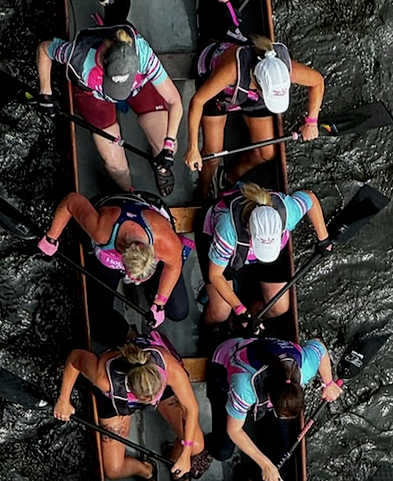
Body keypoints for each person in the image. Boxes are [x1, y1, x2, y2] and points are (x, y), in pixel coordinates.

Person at [35, 25, 182, 194]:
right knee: (114, 164)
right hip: (94, 94)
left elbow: (174, 100)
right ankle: (130, 192)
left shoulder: (142, 53)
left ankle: (160, 166)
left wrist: (168, 146)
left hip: (138, 87)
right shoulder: (77, 55)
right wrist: (46, 93)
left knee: (170, 143)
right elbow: (44, 49)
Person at [184, 34, 326, 195]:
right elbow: (197, 101)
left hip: (252, 97)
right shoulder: (231, 71)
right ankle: (203, 194)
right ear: (258, 83)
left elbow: (317, 81)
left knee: (267, 153)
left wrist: (311, 122)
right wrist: (192, 148)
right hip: (219, 95)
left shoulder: (282, 71)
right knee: (211, 157)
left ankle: (227, 178)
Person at [53, 339, 204, 481]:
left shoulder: (169, 368)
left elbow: (191, 408)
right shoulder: (104, 379)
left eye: (154, 398)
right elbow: (75, 358)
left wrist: (185, 454)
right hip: (117, 400)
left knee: (196, 446)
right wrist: (63, 400)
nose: (151, 402)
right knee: (113, 470)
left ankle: (173, 455)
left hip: (149, 385)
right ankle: (145, 469)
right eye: (147, 399)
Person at [37, 191, 190, 331]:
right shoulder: (101, 231)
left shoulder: (167, 243)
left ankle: (152, 292)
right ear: (123, 260)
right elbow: (72, 200)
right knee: (96, 317)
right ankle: (129, 334)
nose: (136, 282)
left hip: (146, 214)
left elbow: (174, 266)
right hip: (109, 230)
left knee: (179, 311)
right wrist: (51, 237)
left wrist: (159, 303)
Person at [206, 334, 341, 477]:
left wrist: (329, 383)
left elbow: (319, 346)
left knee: (284, 447)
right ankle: (209, 443)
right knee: (222, 452)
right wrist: (265, 464)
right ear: (270, 401)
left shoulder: (306, 368)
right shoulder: (245, 388)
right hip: (223, 366)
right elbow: (234, 430)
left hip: (266, 360)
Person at [201, 181, 331, 328]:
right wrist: (240, 309)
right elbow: (215, 275)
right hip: (226, 249)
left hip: (270, 252)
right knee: (220, 312)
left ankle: (241, 324)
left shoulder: (288, 211)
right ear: (249, 230)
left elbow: (310, 198)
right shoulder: (227, 230)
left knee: (279, 307)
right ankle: (208, 328)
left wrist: (324, 239)